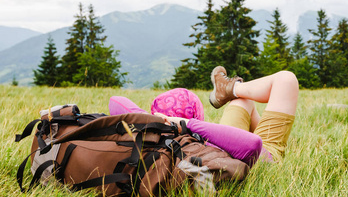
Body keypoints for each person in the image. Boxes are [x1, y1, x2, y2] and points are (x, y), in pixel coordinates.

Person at [109, 66, 299, 165]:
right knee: (286, 79)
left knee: (243, 101)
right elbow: (253, 145)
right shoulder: (199, 140)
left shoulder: (157, 136)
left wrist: (149, 120)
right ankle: (231, 88)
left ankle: (230, 90)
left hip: (220, 142)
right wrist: (187, 124)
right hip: (259, 158)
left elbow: (115, 101)